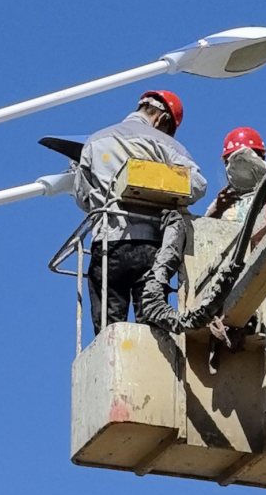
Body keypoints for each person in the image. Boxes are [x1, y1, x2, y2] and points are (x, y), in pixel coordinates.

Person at [73, 90, 207, 334]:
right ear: (162, 119)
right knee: (152, 328)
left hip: (107, 246)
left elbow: (83, 199)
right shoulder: (166, 143)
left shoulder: (94, 141)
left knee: (107, 333)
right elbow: (197, 186)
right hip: (151, 248)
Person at [206, 127, 266, 347]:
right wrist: (218, 209)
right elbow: (204, 237)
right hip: (236, 276)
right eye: (232, 161)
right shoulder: (225, 201)